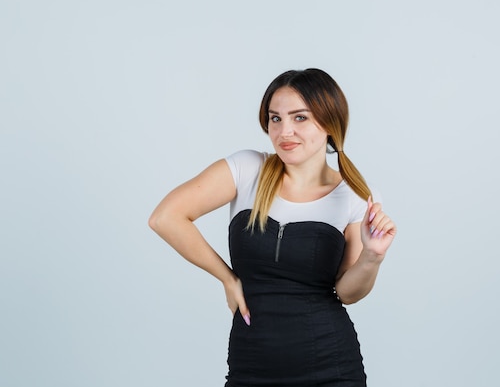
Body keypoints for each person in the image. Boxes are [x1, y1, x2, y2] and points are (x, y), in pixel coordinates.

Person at [149, 68, 397, 386]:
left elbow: (348, 293)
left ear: (329, 123)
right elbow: (165, 217)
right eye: (275, 118)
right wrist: (228, 278)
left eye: (300, 118)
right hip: (251, 366)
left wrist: (372, 257)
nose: (284, 132)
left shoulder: (356, 195)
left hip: (331, 368)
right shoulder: (246, 169)